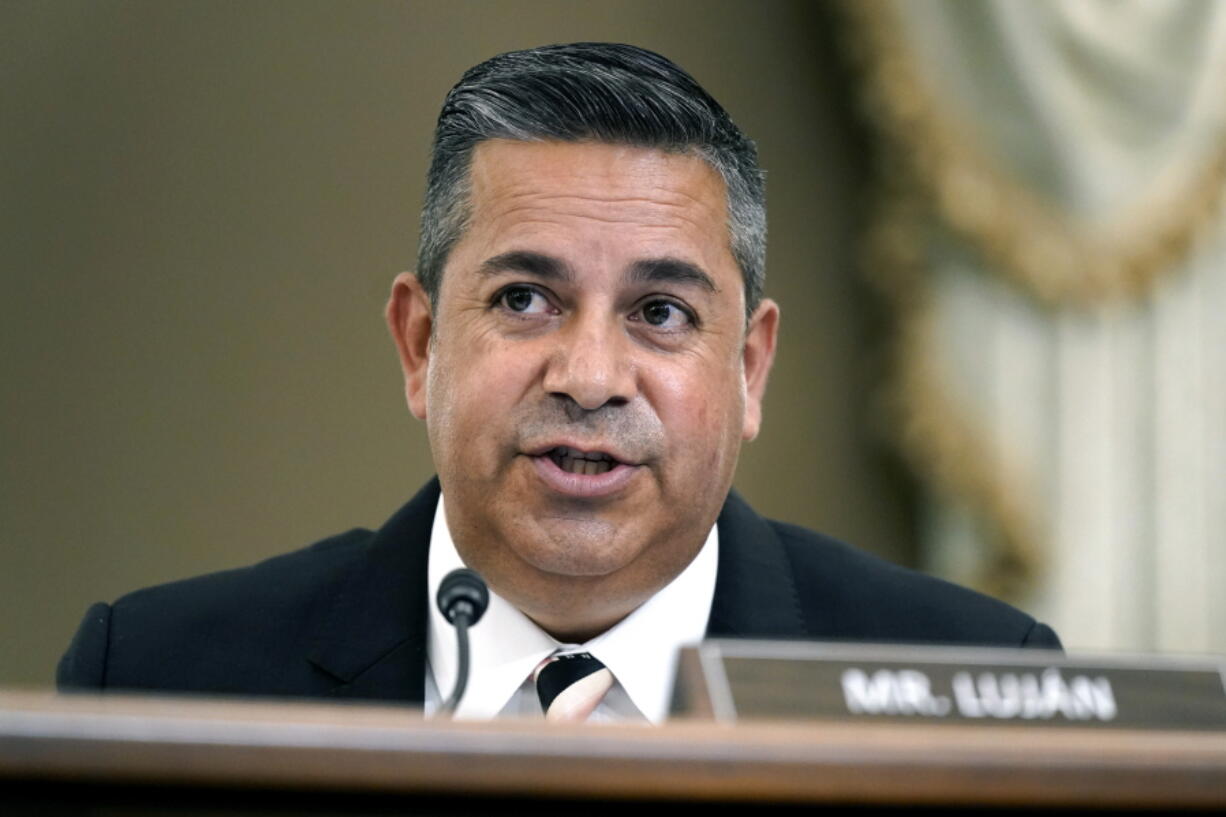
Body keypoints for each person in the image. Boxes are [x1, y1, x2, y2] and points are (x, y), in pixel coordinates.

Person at [57, 43, 1060, 723]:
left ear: (748, 368)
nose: (587, 377)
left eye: (658, 312)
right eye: (527, 299)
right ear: (418, 344)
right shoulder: (158, 678)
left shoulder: (975, 684)